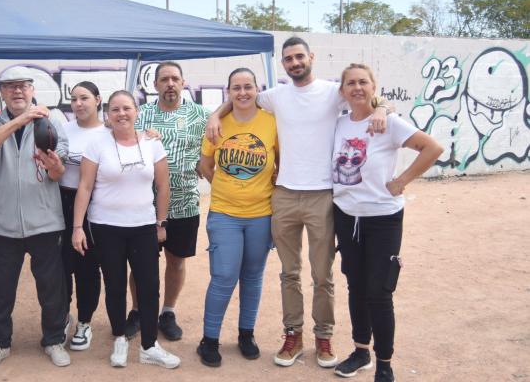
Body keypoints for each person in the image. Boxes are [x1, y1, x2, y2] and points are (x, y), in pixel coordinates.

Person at [206, 36, 388, 370]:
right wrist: (215, 114)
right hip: (285, 196)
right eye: (288, 59)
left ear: (311, 57)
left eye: (299, 57)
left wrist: (383, 109)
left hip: (322, 196)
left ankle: (323, 337)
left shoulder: (333, 92)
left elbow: (368, 95)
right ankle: (293, 336)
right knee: (289, 273)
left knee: (323, 275)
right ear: (283, 64)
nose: (294, 63)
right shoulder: (274, 96)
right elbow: (239, 97)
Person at [331, 64, 442, 382]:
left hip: (383, 217)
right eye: (350, 83)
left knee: (379, 291)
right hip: (346, 215)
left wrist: (403, 179)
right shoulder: (339, 124)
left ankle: (384, 363)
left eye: (363, 82)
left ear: (373, 86)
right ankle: (361, 351)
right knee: (355, 286)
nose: (356, 88)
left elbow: (432, 147)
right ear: (342, 90)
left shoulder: (388, 122)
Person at [72, 90, 180, 369]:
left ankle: (149, 346)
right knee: (115, 285)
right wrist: (77, 227)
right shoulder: (97, 144)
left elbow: (163, 185)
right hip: (105, 226)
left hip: (143, 226)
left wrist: (161, 222)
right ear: (108, 114)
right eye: (116, 109)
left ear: (137, 112)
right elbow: (84, 186)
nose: (121, 113)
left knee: (149, 286)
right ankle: (119, 337)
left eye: (127, 108)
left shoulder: (152, 143)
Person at [0, 66, 71, 371]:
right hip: (2, 222)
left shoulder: (52, 120)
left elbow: (59, 172)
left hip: (44, 220)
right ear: (1, 92)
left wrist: (53, 164)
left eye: (23, 86)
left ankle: (54, 340)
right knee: (0, 289)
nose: (18, 91)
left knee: (51, 286)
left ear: (32, 90)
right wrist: (20, 119)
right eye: (11, 86)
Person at [196, 68, 278, 367]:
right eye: (236, 88)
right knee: (223, 276)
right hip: (225, 214)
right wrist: (227, 188)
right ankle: (210, 339)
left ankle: (246, 334)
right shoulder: (217, 124)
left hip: (262, 214)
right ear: (228, 93)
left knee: (253, 277)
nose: (242, 93)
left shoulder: (271, 122)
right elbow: (205, 165)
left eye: (248, 87)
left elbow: (279, 161)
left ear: (257, 89)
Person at [128, 61, 209, 341]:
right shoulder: (141, 115)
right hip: (142, 205)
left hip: (185, 204)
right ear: (155, 85)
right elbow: (120, 140)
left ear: (183, 83)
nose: (170, 84)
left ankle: (168, 312)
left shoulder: (201, 115)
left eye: (175, 79)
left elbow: (212, 148)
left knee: (176, 262)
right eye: (164, 79)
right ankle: (138, 311)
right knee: (141, 263)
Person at [59, 81, 108, 350]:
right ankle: (63, 316)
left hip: (94, 206)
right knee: (61, 266)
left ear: (98, 100)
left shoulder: (108, 132)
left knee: (87, 267)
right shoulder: (62, 129)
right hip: (61, 203)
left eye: (84, 98)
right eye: (74, 99)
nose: (78, 103)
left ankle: (85, 323)